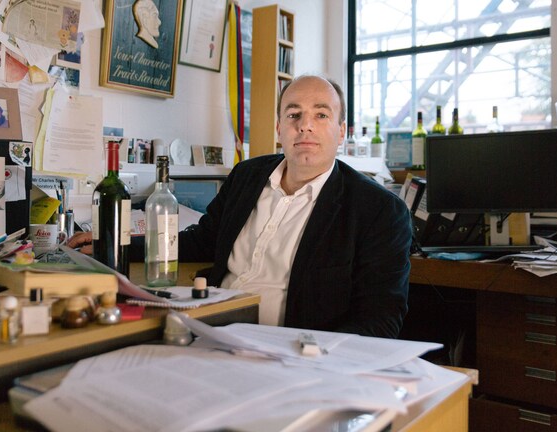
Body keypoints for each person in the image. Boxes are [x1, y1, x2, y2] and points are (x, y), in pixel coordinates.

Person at [69, 75, 412, 339]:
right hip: (208, 332)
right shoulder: (248, 175)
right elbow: (202, 240)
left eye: (320, 115)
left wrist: (309, 356)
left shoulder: (379, 211)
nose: (304, 124)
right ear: (279, 128)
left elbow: (380, 320)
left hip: (292, 352)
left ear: (341, 132)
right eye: (294, 114)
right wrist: (115, 244)